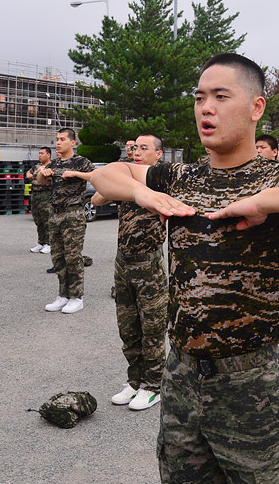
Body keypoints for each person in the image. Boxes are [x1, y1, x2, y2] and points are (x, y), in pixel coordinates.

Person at [91, 53, 279, 483]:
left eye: (221, 96)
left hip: (250, 380)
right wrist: (143, 194)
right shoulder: (179, 176)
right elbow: (107, 174)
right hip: (182, 373)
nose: (206, 108)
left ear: (255, 108)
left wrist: (264, 202)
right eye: (200, 98)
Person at [93, 133, 168, 411]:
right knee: (128, 326)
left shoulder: (163, 179)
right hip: (122, 261)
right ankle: (134, 380)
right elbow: (98, 200)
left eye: (144, 148)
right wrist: (125, 184)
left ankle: (153, 385)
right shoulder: (125, 178)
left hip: (148, 263)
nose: (137, 152)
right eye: (135, 147)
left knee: (152, 327)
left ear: (158, 154)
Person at [40, 128, 94, 314]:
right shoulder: (53, 163)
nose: (58, 142)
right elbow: (39, 181)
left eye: (62, 139)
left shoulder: (81, 162)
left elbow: (96, 176)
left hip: (73, 214)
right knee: (58, 256)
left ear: (73, 142)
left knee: (73, 257)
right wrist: (43, 173)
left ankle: (76, 297)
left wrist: (76, 174)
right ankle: (63, 295)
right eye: (56, 139)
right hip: (55, 214)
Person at [26, 146, 53, 254]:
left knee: (46, 220)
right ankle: (41, 242)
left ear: (48, 155)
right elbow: (28, 172)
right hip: (35, 195)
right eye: (39, 153)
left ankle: (49, 243)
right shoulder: (37, 166)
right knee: (38, 220)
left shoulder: (51, 166)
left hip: (46, 195)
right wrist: (29, 175)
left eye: (42, 153)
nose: (40, 155)